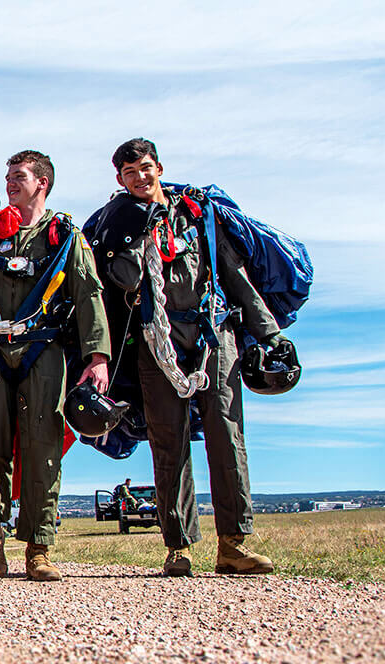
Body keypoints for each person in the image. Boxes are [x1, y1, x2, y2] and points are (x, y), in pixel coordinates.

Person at [91, 138, 284, 576]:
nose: (138, 177)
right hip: (155, 341)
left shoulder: (197, 216)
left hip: (214, 337)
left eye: (143, 168)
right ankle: (178, 546)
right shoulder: (120, 222)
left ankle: (234, 544)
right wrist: (124, 235)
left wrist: (268, 334)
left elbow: (233, 274)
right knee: (168, 442)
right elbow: (120, 284)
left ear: (158, 166)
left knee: (227, 436)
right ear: (119, 180)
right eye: (128, 173)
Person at [0, 150, 111, 581]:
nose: (11, 182)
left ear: (42, 183)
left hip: (43, 351)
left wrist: (98, 357)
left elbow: (88, 294)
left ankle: (39, 547)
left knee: (43, 448)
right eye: (8, 175)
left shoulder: (65, 234)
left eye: (19, 176)